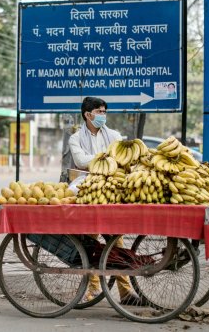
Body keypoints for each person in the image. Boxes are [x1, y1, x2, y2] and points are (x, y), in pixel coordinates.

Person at [67, 97, 143, 305]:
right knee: (89, 244)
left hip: (112, 188)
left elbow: (121, 160)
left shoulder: (115, 136)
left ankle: (126, 292)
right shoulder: (75, 138)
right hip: (89, 189)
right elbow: (80, 161)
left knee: (115, 241)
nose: (103, 115)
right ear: (88, 115)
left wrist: (102, 161)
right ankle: (92, 289)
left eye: (104, 112)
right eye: (100, 112)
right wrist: (107, 159)